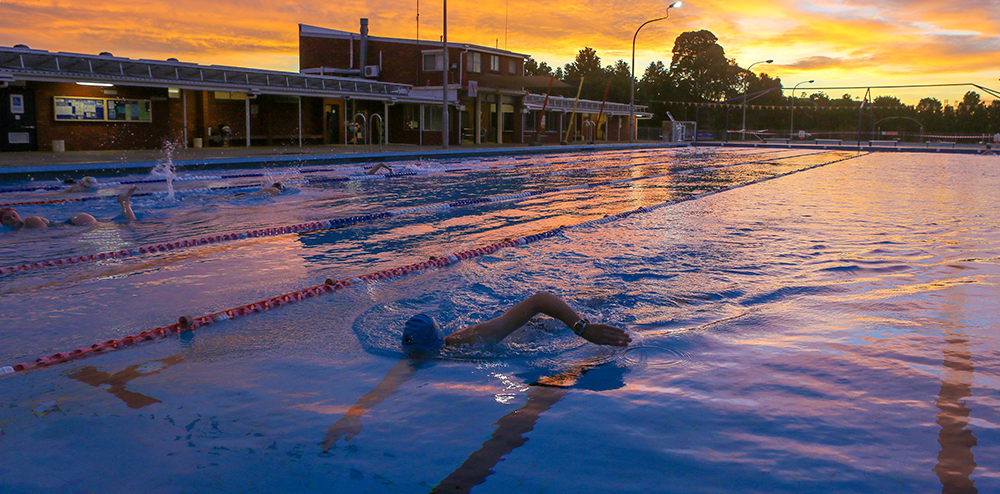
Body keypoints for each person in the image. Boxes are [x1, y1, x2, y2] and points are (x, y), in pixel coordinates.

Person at [402, 291, 631, 352]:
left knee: (593, 305)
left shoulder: (472, 339)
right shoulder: (444, 348)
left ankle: (616, 295)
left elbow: (541, 299)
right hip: (521, 327)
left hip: (541, 327)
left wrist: (582, 328)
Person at [1, 186, 138, 229]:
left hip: (75, 223)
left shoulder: (30, 220)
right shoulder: (21, 229)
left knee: (125, 226)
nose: (12, 219)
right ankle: (125, 202)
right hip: (76, 222)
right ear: (2, 223)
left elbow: (45, 234)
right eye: (8, 219)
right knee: (126, 223)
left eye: (14, 215)